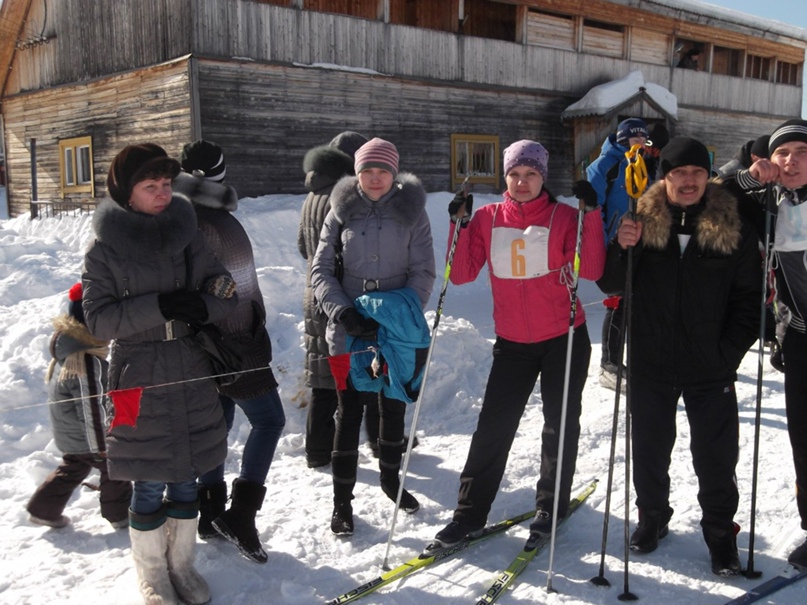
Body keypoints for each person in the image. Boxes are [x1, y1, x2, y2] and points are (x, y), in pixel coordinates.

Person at [597, 136, 761, 576]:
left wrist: (727, 354)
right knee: (649, 449)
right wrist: (621, 246)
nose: (688, 181)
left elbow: (749, 301)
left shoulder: (733, 227)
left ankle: (720, 534)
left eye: (696, 173)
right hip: (652, 361)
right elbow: (611, 285)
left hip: (711, 366)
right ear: (664, 177)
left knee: (716, 454)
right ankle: (652, 518)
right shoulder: (640, 222)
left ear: (708, 176)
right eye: (678, 173)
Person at [430, 140, 605, 549]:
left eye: (531, 174)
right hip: (512, 342)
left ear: (543, 176)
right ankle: (468, 514)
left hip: (564, 336)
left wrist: (590, 217)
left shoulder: (563, 216)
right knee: (493, 427)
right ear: (505, 177)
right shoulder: (489, 218)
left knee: (559, 426)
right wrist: (460, 223)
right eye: (514, 174)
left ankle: (550, 506)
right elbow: (460, 275)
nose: (522, 182)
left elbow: (592, 269)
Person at [83, 143, 237, 605]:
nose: (163, 193)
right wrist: (162, 306)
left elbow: (223, 286)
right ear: (127, 194)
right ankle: (152, 573)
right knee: (148, 479)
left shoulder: (187, 234)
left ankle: (182, 565)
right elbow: (99, 320)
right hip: (137, 371)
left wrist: (202, 305)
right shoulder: (104, 248)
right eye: (151, 186)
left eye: (167, 184)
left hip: (190, 365)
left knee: (187, 473)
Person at [310, 137, 436, 536]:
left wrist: (395, 317)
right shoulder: (339, 212)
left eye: (382, 171)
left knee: (393, 407)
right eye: (368, 170)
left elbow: (423, 272)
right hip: (348, 330)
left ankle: (389, 479)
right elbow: (321, 270)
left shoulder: (413, 213)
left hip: (396, 331)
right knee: (349, 413)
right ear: (357, 174)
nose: (375, 178)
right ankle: (341, 503)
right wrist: (344, 311)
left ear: (394, 174)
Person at [174, 140, 286, 564]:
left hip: (228, 340)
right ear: (219, 174)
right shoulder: (203, 221)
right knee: (270, 420)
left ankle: (210, 512)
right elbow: (205, 288)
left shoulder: (201, 216)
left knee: (218, 423)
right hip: (230, 343)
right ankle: (240, 515)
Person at [728, 119, 807, 570]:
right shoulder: (773, 205)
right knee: (804, 441)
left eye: (801, 151)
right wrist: (749, 176)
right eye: (783, 153)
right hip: (799, 339)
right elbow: (715, 193)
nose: (791, 160)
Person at [26, 282, 132, 530]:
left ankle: (43, 510)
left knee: (73, 468)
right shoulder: (85, 362)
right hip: (88, 436)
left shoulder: (69, 352)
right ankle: (120, 515)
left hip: (72, 433)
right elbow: (91, 407)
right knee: (115, 468)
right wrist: (103, 447)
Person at [297, 131, 371, 469]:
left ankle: (317, 449)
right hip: (340, 294)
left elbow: (303, 247)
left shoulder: (311, 195)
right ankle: (384, 439)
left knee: (322, 374)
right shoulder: (345, 196)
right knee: (354, 368)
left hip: (314, 292)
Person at [586, 118, 650, 390]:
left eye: (644, 142)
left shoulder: (642, 164)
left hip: (638, 240)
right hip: (612, 242)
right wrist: (601, 247)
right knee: (618, 298)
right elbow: (592, 209)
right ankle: (609, 364)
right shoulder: (605, 166)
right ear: (624, 140)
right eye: (636, 140)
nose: (641, 146)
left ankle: (634, 360)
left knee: (635, 300)